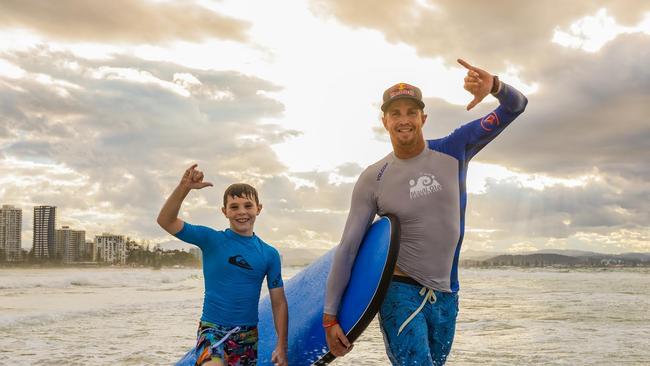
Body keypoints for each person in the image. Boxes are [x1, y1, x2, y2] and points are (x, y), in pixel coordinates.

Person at [323, 59, 528, 365]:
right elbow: (349, 247)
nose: (403, 120)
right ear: (384, 121)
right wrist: (330, 316)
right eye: (395, 113)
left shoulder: (454, 149)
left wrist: (495, 87)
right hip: (398, 292)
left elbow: (517, 106)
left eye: (411, 112)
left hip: (447, 294)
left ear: (423, 117)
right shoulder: (373, 177)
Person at [157, 164, 288, 366]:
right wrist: (184, 188)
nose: (241, 212)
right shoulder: (211, 239)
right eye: (234, 207)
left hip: (247, 337)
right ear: (224, 211)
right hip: (212, 331)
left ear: (258, 209)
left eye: (247, 206)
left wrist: (281, 346)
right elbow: (166, 220)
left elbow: (278, 303)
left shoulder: (269, 254)